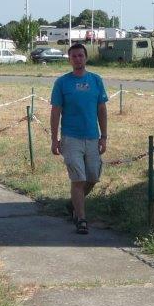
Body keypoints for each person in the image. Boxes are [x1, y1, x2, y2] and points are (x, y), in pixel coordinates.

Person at [50, 43, 108, 235]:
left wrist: (104, 137)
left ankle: (73, 204)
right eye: (74, 56)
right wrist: (54, 139)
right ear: (69, 59)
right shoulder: (62, 83)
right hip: (70, 138)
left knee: (92, 177)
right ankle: (81, 218)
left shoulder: (96, 81)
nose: (78, 59)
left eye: (81, 56)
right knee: (78, 179)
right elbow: (56, 111)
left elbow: (102, 109)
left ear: (86, 58)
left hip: (92, 137)